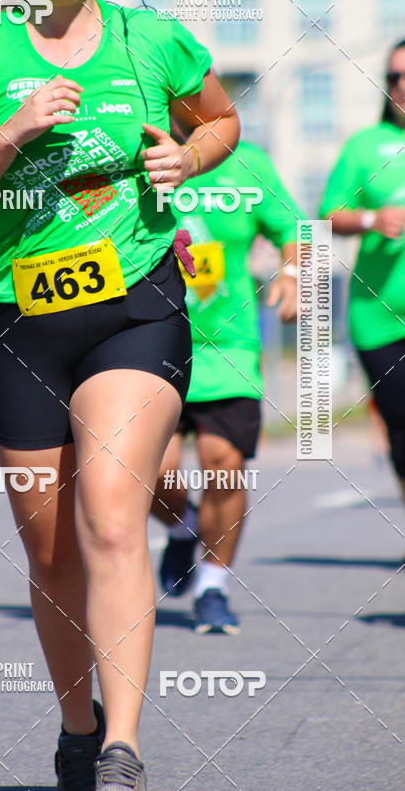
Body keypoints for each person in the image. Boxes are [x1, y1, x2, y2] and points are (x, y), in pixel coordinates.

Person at [0, 0, 240, 787]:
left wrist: (191, 156)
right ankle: (76, 723)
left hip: (136, 309)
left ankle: (122, 747)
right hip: (20, 324)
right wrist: (13, 131)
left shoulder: (151, 40)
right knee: (50, 548)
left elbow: (219, 121)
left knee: (109, 511)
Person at [150, 140, 302, 633]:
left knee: (224, 464)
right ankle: (183, 526)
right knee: (149, 472)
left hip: (227, 346)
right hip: (145, 339)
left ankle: (213, 584)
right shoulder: (130, 150)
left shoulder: (249, 164)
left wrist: (294, 273)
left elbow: (295, 227)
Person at [319, 38, 405, 507]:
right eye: (395, 77)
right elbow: (327, 213)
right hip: (380, 318)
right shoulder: (364, 147)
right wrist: (372, 219)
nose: (403, 85)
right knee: (401, 424)